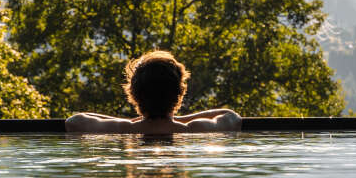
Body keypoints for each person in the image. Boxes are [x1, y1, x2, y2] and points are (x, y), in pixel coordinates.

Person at [65, 51, 242, 134]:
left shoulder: (124, 129)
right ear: (179, 93)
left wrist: (131, 121)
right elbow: (232, 117)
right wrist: (177, 120)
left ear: (134, 94)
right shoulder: (193, 129)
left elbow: (74, 121)